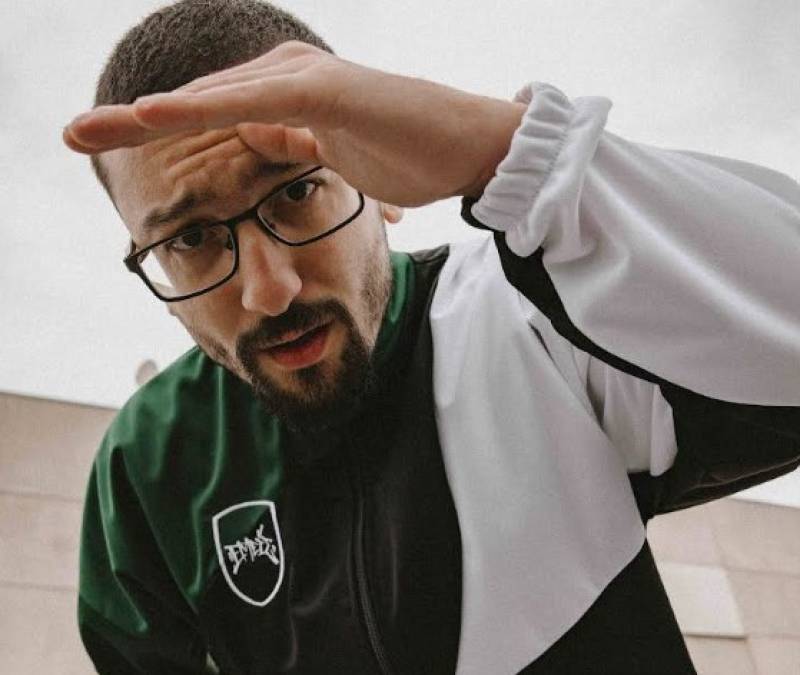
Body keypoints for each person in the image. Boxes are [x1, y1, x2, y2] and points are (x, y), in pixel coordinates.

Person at [63, 1, 800, 673]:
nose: (269, 289)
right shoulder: (147, 461)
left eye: (296, 191)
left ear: (377, 187)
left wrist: (505, 153)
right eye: (190, 239)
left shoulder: (529, 321)